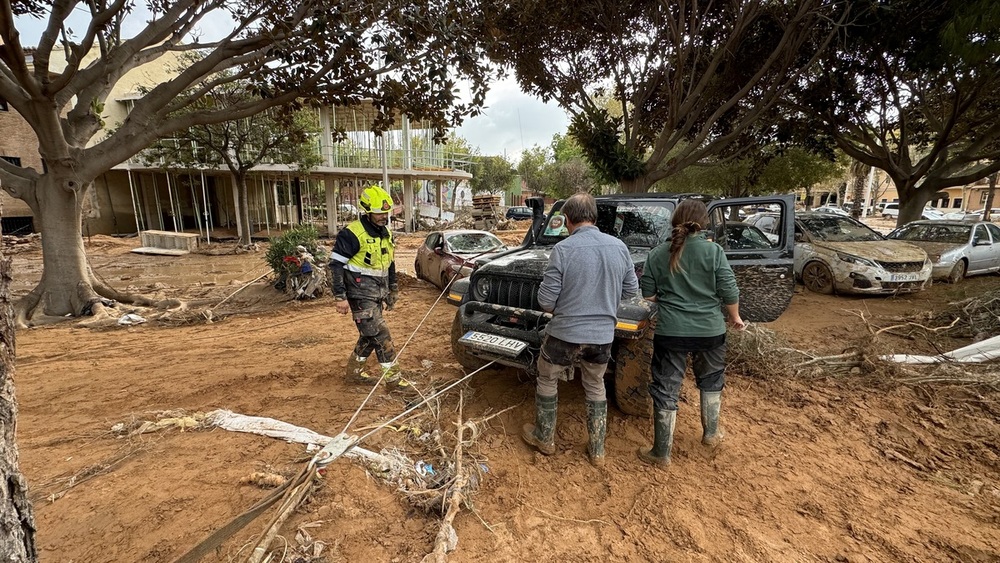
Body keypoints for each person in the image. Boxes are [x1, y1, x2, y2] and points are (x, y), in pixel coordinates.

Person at [521, 193, 639, 467]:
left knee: (547, 377)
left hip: (565, 335)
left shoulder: (563, 250)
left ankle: (544, 438)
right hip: (602, 338)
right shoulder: (619, 247)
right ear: (595, 217)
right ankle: (597, 450)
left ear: (568, 220)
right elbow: (632, 291)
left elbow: (546, 302)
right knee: (595, 384)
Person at [638, 199, 745, 466]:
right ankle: (711, 434)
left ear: (675, 220)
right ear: (703, 222)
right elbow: (729, 290)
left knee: (666, 386)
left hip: (671, 331)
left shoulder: (656, 253)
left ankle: (661, 453)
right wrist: (735, 317)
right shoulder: (714, 251)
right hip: (710, 330)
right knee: (711, 379)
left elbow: (648, 296)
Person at [329, 185, 408, 387]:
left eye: (386, 212)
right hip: (359, 295)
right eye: (379, 212)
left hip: (376, 294)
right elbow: (336, 265)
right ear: (367, 211)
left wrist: (393, 288)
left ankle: (353, 374)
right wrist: (340, 297)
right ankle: (394, 381)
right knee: (381, 335)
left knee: (369, 335)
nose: (384, 216)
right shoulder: (352, 234)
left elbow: (389, 262)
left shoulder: (385, 233)